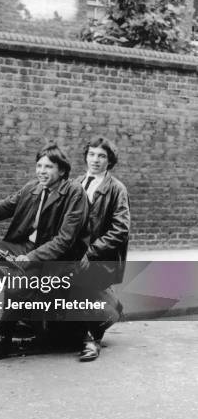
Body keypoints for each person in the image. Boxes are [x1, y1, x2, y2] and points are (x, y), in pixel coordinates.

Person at [0, 143, 89, 360]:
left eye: (48, 167)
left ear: (61, 170)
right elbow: (2, 206)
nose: (42, 171)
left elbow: (65, 239)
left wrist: (30, 258)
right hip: (23, 246)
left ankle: (4, 337)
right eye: (39, 165)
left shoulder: (73, 193)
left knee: (18, 280)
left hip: (56, 256)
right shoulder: (33, 188)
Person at [74, 136, 130, 362]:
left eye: (101, 156)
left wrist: (92, 252)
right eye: (91, 154)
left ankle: (91, 339)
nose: (95, 160)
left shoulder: (117, 189)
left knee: (85, 287)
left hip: (99, 256)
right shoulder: (75, 183)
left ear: (109, 160)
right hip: (75, 252)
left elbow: (120, 229)